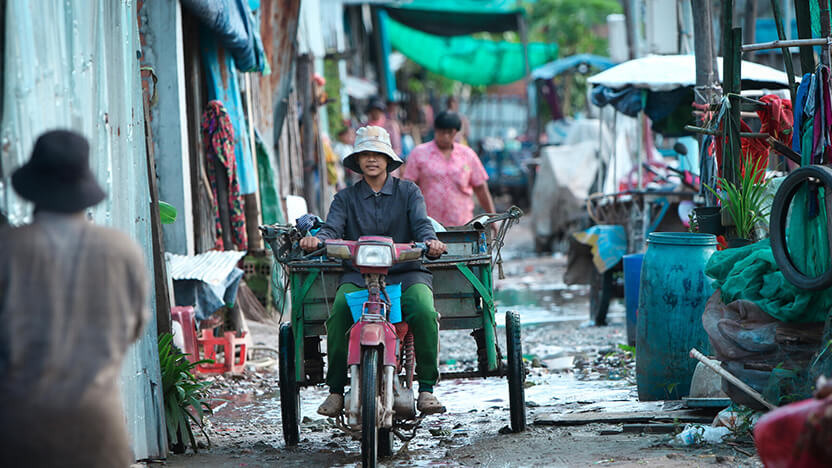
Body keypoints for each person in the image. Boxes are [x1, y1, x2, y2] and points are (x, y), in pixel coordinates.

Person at [0, 130, 149, 467]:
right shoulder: (123, 250)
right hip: (98, 429)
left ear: (33, 187)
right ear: (84, 188)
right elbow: (133, 329)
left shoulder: (8, 250)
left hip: (20, 430)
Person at [299, 126, 447, 416]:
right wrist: (318, 240)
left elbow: (421, 224)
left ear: (388, 160)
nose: (371, 160)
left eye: (377, 154)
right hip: (359, 276)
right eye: (365, 154)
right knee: (340, 310)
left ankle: (427, 388)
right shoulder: (344, 198)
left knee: (425, 310)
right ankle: (336, 390)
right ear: (357, 160)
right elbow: (331, 229)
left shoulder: (409, 192)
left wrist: (430, 241)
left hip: (406, 273)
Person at [402, 110, 496, 228]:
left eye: (450, 132)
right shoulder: (419, 153)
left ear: (455, 132)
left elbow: (481, 188)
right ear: (435, 130)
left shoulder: (467, 154)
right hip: (428, 225)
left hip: (463, 225)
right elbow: (407, 188)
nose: (446, 136)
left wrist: (492, 219)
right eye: (442, 132)